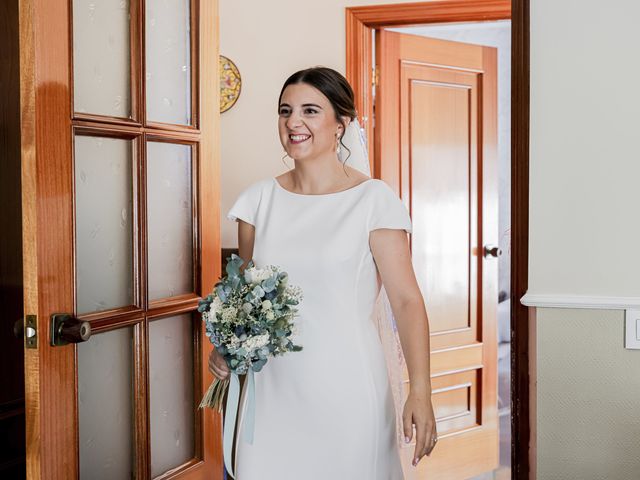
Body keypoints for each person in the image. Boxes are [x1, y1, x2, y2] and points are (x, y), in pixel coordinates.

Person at [210, 66, 436, 479]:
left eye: (310, 111)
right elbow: (241, 294)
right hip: (271, 388)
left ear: (341, 124)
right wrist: (226, 346)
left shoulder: (373, 200)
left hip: (345, 385)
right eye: (285, 110)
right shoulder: (257, 201)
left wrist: (420, 387)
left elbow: (405, 301)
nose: (294, 122)